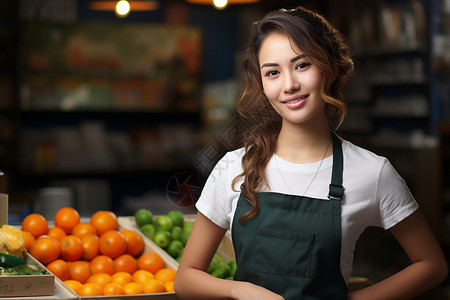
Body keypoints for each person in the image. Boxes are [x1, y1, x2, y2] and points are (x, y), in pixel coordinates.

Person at [174, 6, 448, 300]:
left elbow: (432, 265)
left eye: (302, 65)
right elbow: (186, 279)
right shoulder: (233, 167)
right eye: (273, 72)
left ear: (328, 68)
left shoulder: (371, 171)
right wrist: (239, 290)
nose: (289, 84)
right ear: (262, 83)